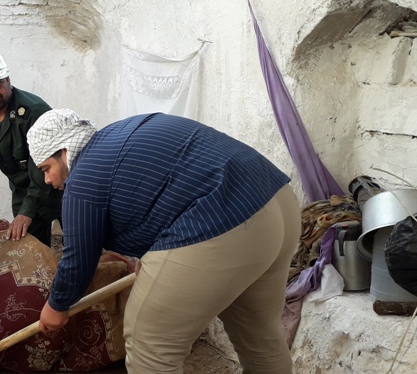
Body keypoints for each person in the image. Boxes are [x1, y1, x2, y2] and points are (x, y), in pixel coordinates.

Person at [30, 109, 300, 373]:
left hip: (226, 221)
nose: (48, 180)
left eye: (47, 168)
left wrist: (57, 305)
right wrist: (152, 257)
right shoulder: (122, 135)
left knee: (150, 345)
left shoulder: (83, 178)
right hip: (277, 200)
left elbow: (78, 260)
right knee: (259, 337)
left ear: (64, 151)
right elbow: (164, 195)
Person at [0, 48, 62, 246]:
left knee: (79, 246)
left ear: (8, 80)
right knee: (27, 250)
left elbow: (43, 166)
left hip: (60, 189)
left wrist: (27, 212)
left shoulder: (34, 112)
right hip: (24, 192)